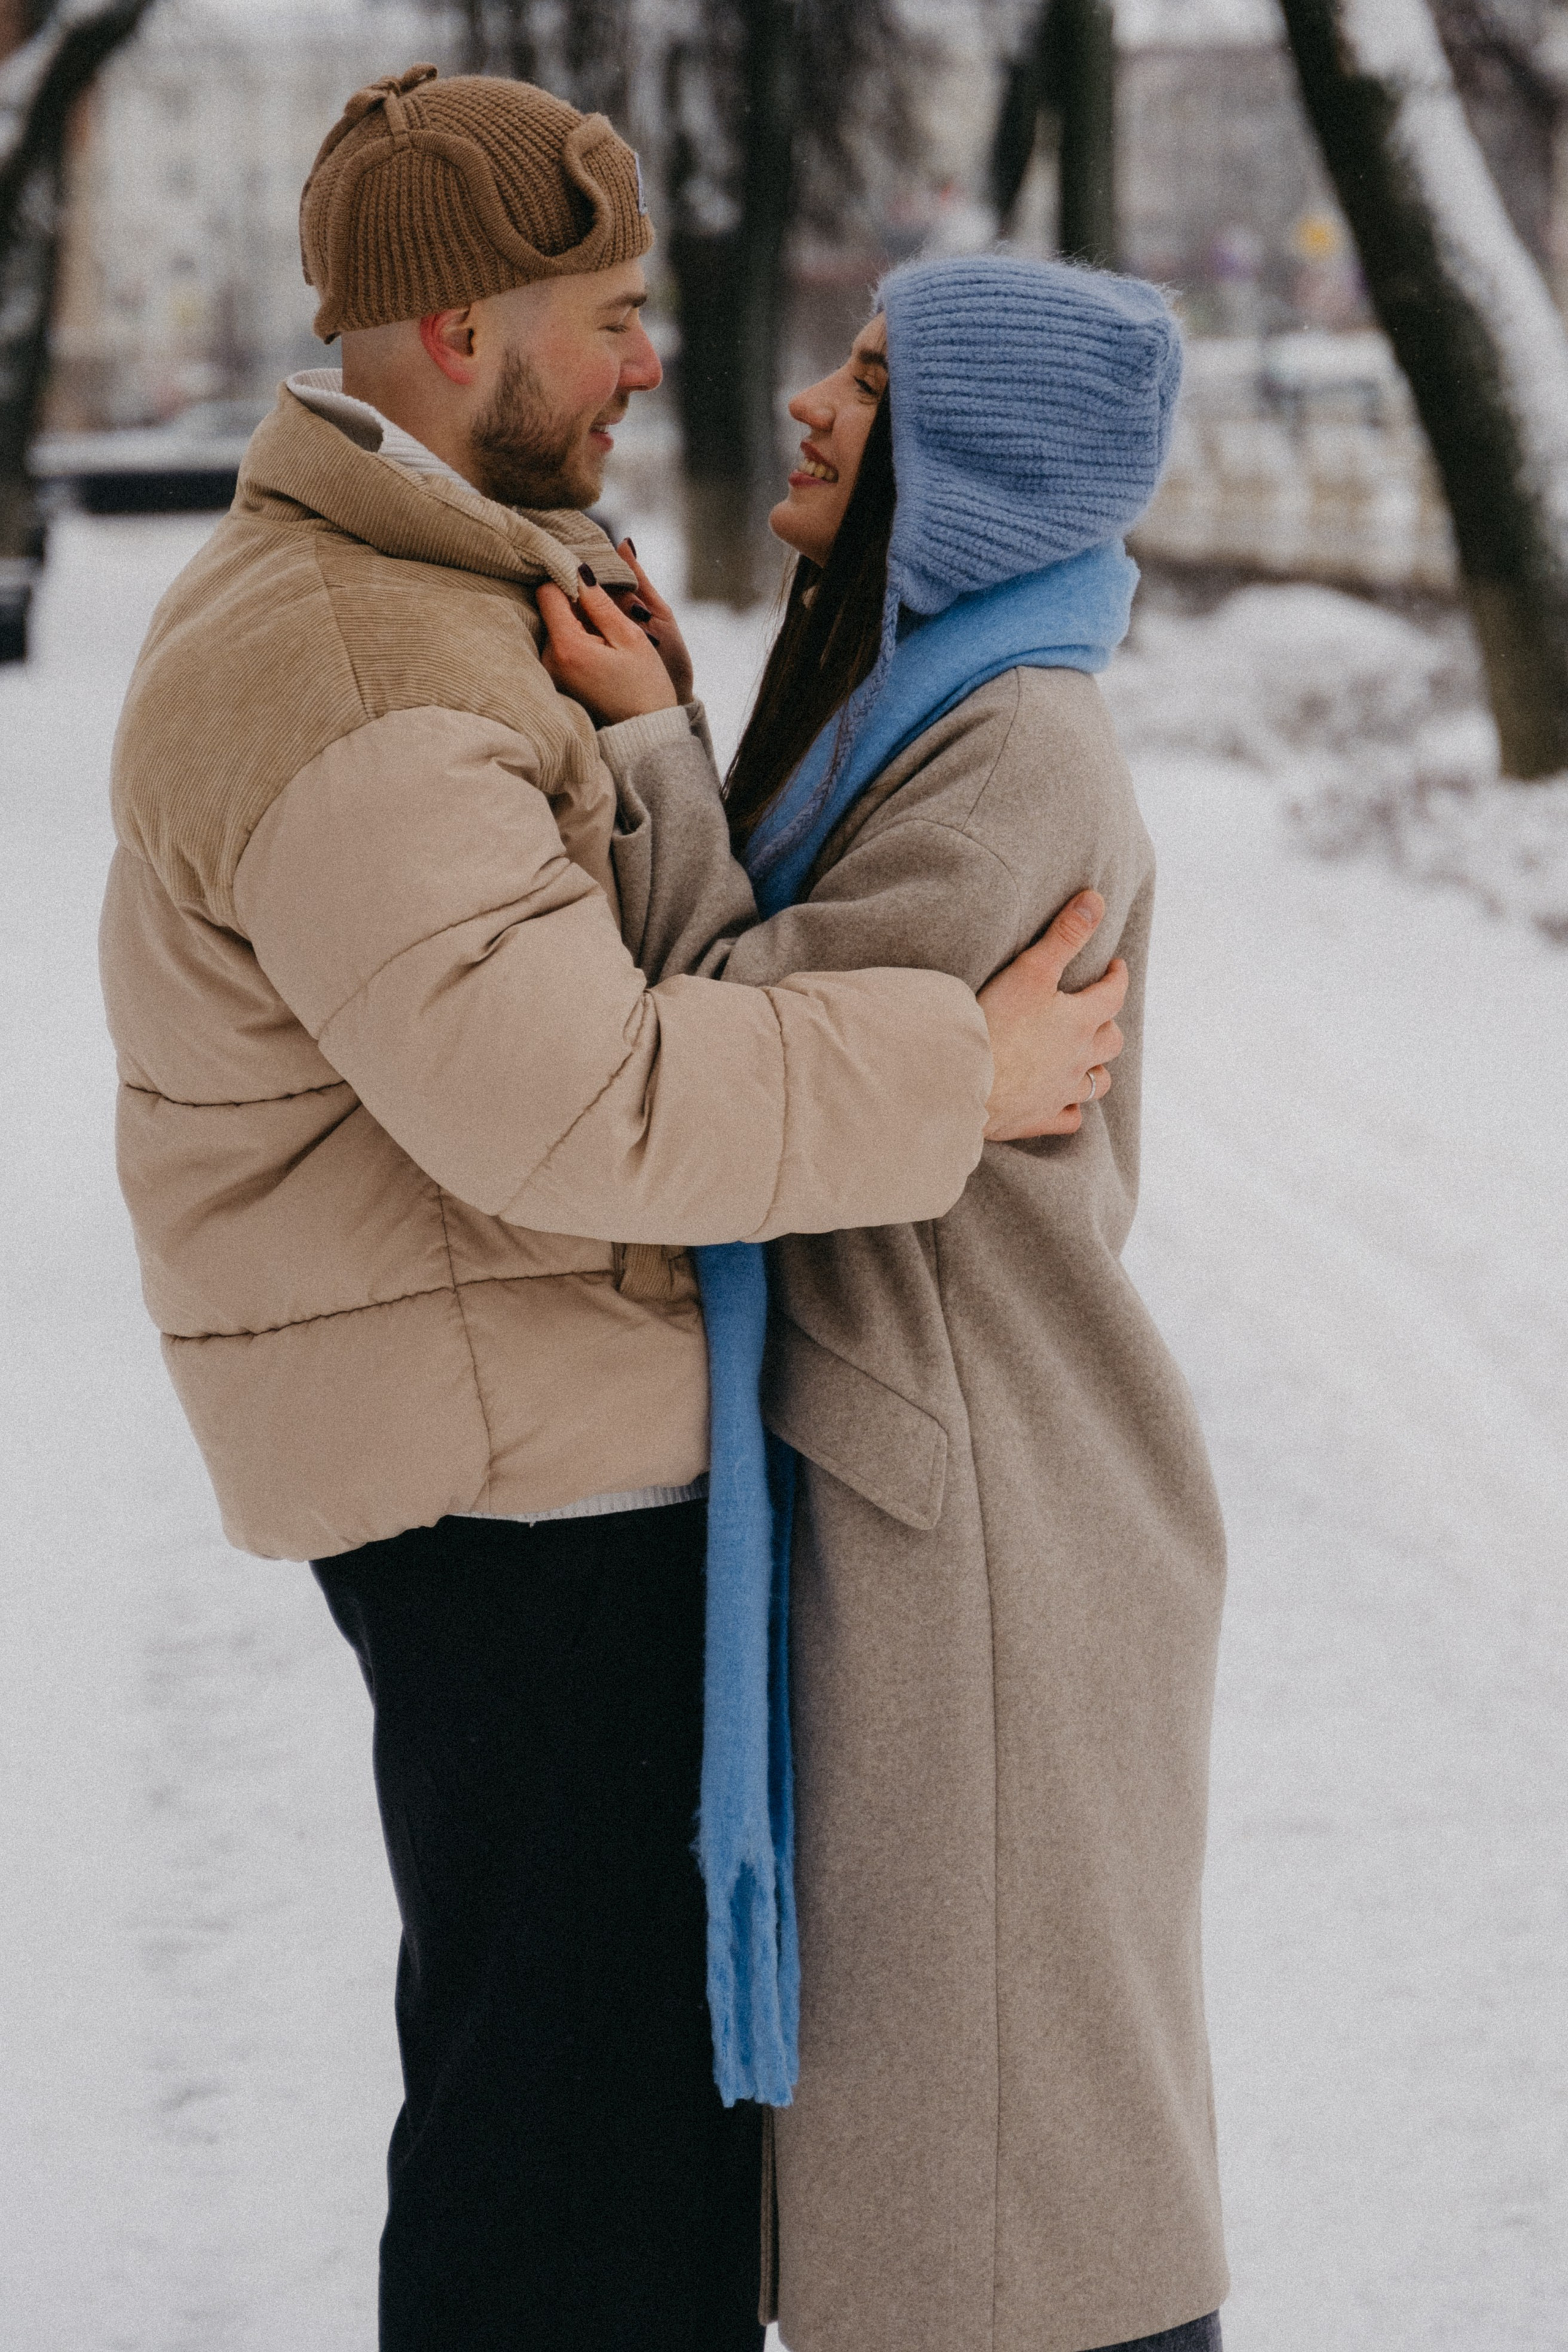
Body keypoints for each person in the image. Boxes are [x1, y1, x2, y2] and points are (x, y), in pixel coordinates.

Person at [98, 70, 1128, 2352]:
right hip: (517, 1495)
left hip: (528, 1443)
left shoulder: (437, 592)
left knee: (604, 2129)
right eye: (620, 311)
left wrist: (657, 737)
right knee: (563, 2156)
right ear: (463, 330)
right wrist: (967, 1070)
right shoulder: (357, 663)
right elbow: (589, 1101)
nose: (663, 358)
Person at [540, 254, 1230, 2352]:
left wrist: (651, 757)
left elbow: (747, 1046)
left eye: (868, 383)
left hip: (995, 1524)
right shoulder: (926, 706)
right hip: (946, 1481)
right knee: (972, 2160)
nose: (814, 413)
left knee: (1014, 2184)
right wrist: (682, 738)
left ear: (979, 464)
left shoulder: (1015, 754)